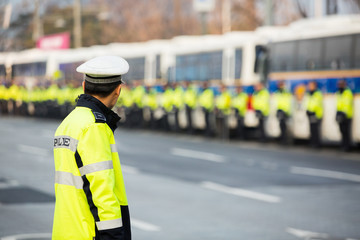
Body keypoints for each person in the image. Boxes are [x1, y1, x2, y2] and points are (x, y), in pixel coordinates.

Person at [52, 56, 131, 240]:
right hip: (89, 233)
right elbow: (101, 190)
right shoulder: (94, 125)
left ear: (84, 86)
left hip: (66, 230)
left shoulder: (69, 122)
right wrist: (113, 235)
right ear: (118, 90)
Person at [336, 79, 353, 151]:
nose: (340, 86)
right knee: (342, 131)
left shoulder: (347, 93)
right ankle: (343, 145)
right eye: (339, 84)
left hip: (346, 115)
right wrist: (337, 113)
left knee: (346, 132)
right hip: (340, 114)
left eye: (341, 84)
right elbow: (338, 105)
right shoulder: (339, 93)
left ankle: (346, 146)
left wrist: (343, 113)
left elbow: (347, 104)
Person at [306, 81, 323, 148]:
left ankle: (316, 144)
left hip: (316, 115)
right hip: (311, 114)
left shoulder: (317, 94)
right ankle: (312, 143)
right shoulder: (310, 94)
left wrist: (312, 111)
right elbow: (308, 103)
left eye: (311, 86)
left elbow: (316, 104)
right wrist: (308, 111)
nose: (309, 87)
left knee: (315, 130)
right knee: (312, 130)